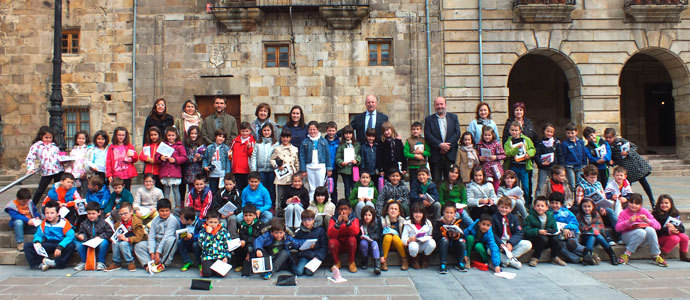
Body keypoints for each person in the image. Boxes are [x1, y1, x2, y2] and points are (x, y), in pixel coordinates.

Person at [604, 128, 654, 207]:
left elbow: (633, 147)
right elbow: (614, 158)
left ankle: (652, 201)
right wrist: (612, 162)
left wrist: (627, 152)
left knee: (644, 182)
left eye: (610, 137)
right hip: (624, 169)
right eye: (606, 137)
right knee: (626, 187)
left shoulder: (621, 141)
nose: (608, 139)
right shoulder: (607, 146)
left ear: (614, 137)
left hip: (633, 165)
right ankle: (627, 204)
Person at [615, 193, 667, 266]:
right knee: (640, 232)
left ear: (641, 205)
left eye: (637, 203)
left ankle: (656, 255)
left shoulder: (644, 211)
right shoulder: (624, 213)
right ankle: (627, 254)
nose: (633, 205)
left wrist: (647, 220)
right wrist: (628, 222)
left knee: (650, 230)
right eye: (631, 203)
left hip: (643, 239)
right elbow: (617, 228)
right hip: (628, 237)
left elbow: (658, 226)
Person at [24, 200, 76, 271]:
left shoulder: (64, 223)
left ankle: (57, 263)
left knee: (71, 245)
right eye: (47, 213)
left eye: (52, 213)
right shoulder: (43, 223)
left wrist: (60, 246)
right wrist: (37, 241)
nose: (49, 215)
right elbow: (39, 234)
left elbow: (70, 236)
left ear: (58, 213)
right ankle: (39, 264)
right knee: (28, 246)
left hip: (60, 244)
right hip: (48, 243)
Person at [134, 198, 180, 272]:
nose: (164, 213)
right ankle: (148, 265)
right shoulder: (155, 220)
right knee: (139, 246)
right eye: (162, 211)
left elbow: (166, 237)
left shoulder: (172, 220)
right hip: (157, 242)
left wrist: (158, 253)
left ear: (170, 211)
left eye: (167, 211)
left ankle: (164, 264)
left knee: (171, 240)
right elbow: (151, 236)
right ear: (158, 211)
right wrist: (152, 252)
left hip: (166, 244)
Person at [424, 97, 461, 183]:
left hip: (450, 154)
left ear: (445, 105)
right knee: (437, 181)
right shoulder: (429, 119)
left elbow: (457, 133)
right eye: (437, 104)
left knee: (450, 180)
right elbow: (428, 135)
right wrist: (440, 145)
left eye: (441, 104)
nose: (440, 106)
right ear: (434, 106)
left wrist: (447, 146)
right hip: (436, 155)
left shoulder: (454, 117)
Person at [523, 196, 567, 267]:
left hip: (547, 238)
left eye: (542, 206)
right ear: (534, 207)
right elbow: (526, 231)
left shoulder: (550, 216)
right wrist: (538, 231)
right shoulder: (530, 217)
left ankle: (554, 257)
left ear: (547, 207)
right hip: (535, 239)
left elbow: (555, 229)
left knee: (556, 238)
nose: (540, 207)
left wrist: (549, 231)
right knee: (543, 238)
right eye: (538, 206)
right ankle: (535, 257)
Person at [26, 126, 64, 206]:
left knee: (59, 189)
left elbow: (58, 156)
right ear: (41, 136)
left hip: (58, 170)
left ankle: (60, 206)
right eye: (46, 137)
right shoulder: (37, 146)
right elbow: (30, 157)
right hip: (47, 171)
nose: (48, 139)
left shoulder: (54, 145)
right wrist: (31, 168)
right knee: (40, 190)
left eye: (50, 137)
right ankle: (32, 206)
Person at [491, 196, 532, 269]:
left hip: (510, 241)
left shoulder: (513, 218)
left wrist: (511, 243)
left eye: (506, 208)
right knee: (490, 249)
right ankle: (510, 261)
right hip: (500, 242)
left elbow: (519, 232)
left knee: (527, 244)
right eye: (502, 207)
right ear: (498, 207)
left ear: (510, 209)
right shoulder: (493, 218)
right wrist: (500, 243)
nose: (504, 210)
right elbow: (492, 233)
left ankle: (508, 258)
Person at [550, 192, 589, 265]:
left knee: (571, 244)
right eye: (552, 203)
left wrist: (567, 228)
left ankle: (587, 252)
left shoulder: (566, 212)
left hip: (571, 232)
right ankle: (580, 259)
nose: (554, 205)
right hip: (559, 234)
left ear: (561, 204)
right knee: (560, 246)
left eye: (557, 203)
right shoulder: (548, 213)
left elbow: (575, 224)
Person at [503, 121, 536, 206]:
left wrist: (529, 153)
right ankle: (515, 205)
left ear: (520, 131)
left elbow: (533, 149)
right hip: (513, 167)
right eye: (512, 130)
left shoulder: (526, 139)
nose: (514, 132)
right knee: (514, 187)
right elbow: (507, 153)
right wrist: (516, 149)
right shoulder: (508, 142)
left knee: (526, 187)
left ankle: (527, 204)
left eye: (516, 130)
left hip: (524, 167)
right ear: (509, 131)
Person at [105, 203, 146, 272]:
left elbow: (139, 237)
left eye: (125, 214)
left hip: (133, 243)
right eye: (121, 214)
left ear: (131, 212)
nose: (123, 216)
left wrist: (127, 239)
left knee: (123, 244)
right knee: (115, 243)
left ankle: (130, 262)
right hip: (122, 242)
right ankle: (116, 262)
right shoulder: (119, 223)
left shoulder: (136, 222)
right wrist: (114, 237)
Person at [577, 198, 618, 265]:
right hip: (585, 238)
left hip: (596, 236)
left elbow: (600, 226)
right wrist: (590, 229)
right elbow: (580, 227)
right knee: (592, 236)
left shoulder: (596, 215)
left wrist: (593, 228)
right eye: (584, 206)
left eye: (589, 206)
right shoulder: (579, 216)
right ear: (581, 207)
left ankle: (611, 255)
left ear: (593, 206)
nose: (587, 209)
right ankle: (611, 255)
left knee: (596, 235)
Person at [74, 202, 113, 271]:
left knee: (104, 242)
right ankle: (84, 261)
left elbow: (109, 232)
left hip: (99, 243)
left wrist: (100, 237)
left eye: (93, 214)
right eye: (89, 214)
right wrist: (82, 236)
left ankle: (101, 262)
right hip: (89, 242)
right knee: (78, 244)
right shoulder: (84, 223)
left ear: (99, 213)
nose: (91, 216)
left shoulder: (104, 222)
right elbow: (82, 232)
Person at [299, 121, 333, 200]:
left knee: (321, 186)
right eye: (310, 129)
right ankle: (312, 203)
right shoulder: (305, 142)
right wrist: (303, 169)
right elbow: (302, 156)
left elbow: (328, 155)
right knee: (312, 186)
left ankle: (322, 201)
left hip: (321, 166)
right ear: (308, 130)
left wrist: (329, 168)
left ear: (318, 130)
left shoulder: (324, 141)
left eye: (314, 129)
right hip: (309, 167)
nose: (312, 131)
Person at [156, 127, 187, 212]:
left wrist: (175, 160)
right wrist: (161, 157)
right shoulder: (163, 145)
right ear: (166, 136)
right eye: (169, 135)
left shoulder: (179, 146)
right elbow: (156, 156)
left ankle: (177, 207)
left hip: (175, 171)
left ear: (176, 136)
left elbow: (184, 157)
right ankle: (166, 207)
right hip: (165, 171)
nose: (171, 137)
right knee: (166, 191)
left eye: (173, 135)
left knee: (176, 190)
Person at [271, 128, 300, 216]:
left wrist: (297, 173)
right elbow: (272, 159)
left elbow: (296, 162)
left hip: (292, 175)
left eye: (287, 137)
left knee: (291, 194)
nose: (285, 139)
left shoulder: (295, 149)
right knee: (280, 196)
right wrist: (277, 166)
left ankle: (290, 213)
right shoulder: (277, 149)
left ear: (290, 138)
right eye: (283, 137)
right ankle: (279, 212)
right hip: (282, 176)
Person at [653, 194, 690, 262]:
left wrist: (676, 229)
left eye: (666, 203)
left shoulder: (675, 213)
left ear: (671, 204)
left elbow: (682, 228)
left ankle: (683, 255)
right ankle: (661, 255)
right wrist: (668, 230)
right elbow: (655, 229)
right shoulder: (656, 214)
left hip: (672, 234)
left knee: (684, 237)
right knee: (675, 238)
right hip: (660, 237)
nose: (664, 205)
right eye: (662, 203)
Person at [434, 202, 469, 274]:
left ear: (455, 213)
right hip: (443, 245)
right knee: (444, 240)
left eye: (451, 213)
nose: (449, 215)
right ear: (443, 212)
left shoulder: (459, 222)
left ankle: (459, 262)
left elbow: (463, 234)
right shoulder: (439, 222)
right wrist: (446, 234)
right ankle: (443, 264)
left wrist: (456, 235)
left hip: (455, 244)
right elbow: (436, 236)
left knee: (462, 241)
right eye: (447, 212)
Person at [328, 199, 360, 273]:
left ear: (350, 210)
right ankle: (337, 262)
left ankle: (351, 262)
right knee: (331, 242)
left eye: (345, 209)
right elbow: (330, 234)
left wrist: (348, 222)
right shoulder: (333, 219)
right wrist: (338, 224)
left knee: (352, 239)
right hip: (338, 244)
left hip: (349, 244)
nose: (343, 212)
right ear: (337, 210)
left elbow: (355, 232)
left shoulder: (354, 219)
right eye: (341, 209)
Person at [293, 209, 328, 276]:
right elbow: (295, 244)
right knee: (298, 272)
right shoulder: (300, 232)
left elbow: (324, 246)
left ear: (313, 220)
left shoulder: (320, 230)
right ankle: (290, 266)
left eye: (309, 220)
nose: (307, 222)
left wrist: (319, 256)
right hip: (305, 255)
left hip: (316, 255)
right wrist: (301, 247)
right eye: (305, 220)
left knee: (309, 272)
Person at [233, 204, 265, 276]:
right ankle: (240, 264)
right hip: (246, 244)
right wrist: (242, 242)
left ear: (254, 215)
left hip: (257, 245)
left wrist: (246, 242)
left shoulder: (260, 224)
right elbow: (242, 236)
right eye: (245, 215)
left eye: (250, 215)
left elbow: (258, 237)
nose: (248, 218)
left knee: (250, 248)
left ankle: (253, 264)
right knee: (237, 246)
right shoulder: (242, 225)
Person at [403, 202, 436, 269]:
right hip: (413, 245)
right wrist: (409, 239)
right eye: (416, 212)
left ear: (423, 214)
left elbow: (430, 234)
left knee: (432, 243)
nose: (418, 215)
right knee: (413, 246)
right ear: (412, 213)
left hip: (423, 244)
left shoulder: (428, 223)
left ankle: (425, 258)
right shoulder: (407, 223)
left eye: (420, 213)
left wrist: (426, 238)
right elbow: (403, 239)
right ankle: (415, 260)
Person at [251, 122, 278, 204]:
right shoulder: (258, 143)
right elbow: (254, 156)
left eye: (268, 130)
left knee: (271, 189)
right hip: (261, 170)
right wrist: (254, 170)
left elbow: (277, 156)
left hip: (271, 170)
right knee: (261, 189)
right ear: (261, 131)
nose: (266, 132)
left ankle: (271, 205)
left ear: (271, 131)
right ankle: (261, 204)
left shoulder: (275, 144)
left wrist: (276, 167)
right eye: (264, 130)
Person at [198, 210, 231, 277]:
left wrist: (226, 256)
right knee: (207, 274)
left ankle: (216, 269)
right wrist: (209, 234)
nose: (213, 224)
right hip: (208, 257)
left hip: (220, 256)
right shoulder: (203, 231)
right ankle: (206, 267)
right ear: (206, 221)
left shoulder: (223, 231)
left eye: (215, 222)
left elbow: (228, 245)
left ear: (218, 221)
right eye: (210, 222)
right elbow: (203, 246)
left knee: (220, 274)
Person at [534, 123, 563, 198]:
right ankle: (538, 202)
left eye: (551, 132)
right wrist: (541, 162)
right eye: (548, 131)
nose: (549, 133)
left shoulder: (556, 142)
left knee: (556, 184)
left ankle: (557, 201)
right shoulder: (540, 143)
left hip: (554, 168)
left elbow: (560, 155)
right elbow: (536, 155)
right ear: (543, 131)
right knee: (541, 185)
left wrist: (561, 167)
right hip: (543, 168)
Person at [381, 200, 408, 271]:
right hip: (386, 244)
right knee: (388, 236)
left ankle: (404, 259)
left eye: (396, 209)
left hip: (398, 244)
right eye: (391, 208)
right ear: (387, 210)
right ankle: (384, 261)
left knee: (395, 237)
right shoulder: (382, 221)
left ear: (399, 212)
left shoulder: (402, 221)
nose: (393, 211)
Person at [560, 123, 588, 192]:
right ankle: (572, 199)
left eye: (572, 133)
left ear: (576, 132)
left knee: (579, 183)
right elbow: (563, 155)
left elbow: (583, 153)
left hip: (579, 166)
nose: (570, 135)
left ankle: (577, 200)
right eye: (568, 133)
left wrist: (584, 164)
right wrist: (563, 166)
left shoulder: (580, 142)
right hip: (569, 166)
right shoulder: (564, 144)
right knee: (572, 184)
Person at [477, 125, 505, 191]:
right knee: (487, 187)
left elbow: (503, 155)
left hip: (495, 168)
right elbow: (476, 155)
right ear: (482, 135)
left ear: (492, 135)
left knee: (496, 186)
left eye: (489, 135)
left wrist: (496, 157)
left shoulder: (496, 144)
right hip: (485, 169)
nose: (487, 137)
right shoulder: (480, 144)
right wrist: (479, 158)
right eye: (485, 135)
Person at [203, 129, 231, 194]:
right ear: (215, 136)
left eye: (223, 137)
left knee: (221, 192)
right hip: (212, 174)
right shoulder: (209, 147)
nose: (221, 138)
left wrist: (227, 173)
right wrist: (205, 166)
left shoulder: (226, 148)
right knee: (213, 191)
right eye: (219, 136)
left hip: (222, 174)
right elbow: (205, 158)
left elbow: (228, 161)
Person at [335, 125, 359, 201]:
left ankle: (354, 202)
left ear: (353, 134)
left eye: (350, 133)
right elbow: (338, 157)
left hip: (354, 169)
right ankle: (347, 203)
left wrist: (357, 160)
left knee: (354, 187)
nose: (348, 135)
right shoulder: (341, 145)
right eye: (346, 133)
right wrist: (342, 163)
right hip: (345, 170)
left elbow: (359, 155)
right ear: (343, 135)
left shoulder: (357, 144)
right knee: (347, 188)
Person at [404, 122, 430, 187]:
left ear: (421, 130)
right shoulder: (408, 141)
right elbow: (405, 153)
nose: (415, 131)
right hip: (412, 167)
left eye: (417, 129)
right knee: (413, 184)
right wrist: (415, 156)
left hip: (422, 166)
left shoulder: (424, 141)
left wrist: (422, 152)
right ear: (411, 130)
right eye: (414, 129)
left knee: (422, 184)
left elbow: (429, 153)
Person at [358, 206, 383, 274]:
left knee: (374, 244)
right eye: (365, 215)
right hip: (364, 243)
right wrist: (360, 236)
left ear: (373, 216)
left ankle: (377, 265)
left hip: (372, 241)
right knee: (363, 243)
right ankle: (364, 261)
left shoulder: (376, 224)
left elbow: (378, 235)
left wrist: (369, 237)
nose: (367, 217)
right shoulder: (360, 223)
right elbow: (357, 234)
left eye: (369, 215)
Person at [177, 207, 203, 271]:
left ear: (189, 220)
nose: (180, 220)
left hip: (196, 242)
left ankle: (199, 262)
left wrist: (193, 236)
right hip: (187, 241)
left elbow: (202, 235)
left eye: (182, 219)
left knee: (195, 245)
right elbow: (181, 232)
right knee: (180, 243)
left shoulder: (200, 223)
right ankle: (187, 261)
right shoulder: (182, 224)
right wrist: (183, 237)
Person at [66, 131, 91, 196]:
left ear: (86, 139)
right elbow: (71, 163)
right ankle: (78, 204)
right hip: (75, 175)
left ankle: (86, 204)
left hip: (84, 175)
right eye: (79, 138)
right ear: (76, 139)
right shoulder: (73, 151)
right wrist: (69, 173)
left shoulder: (88, 150)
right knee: (77, 192)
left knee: (85, 191)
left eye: (83, 139)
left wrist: (85, 172)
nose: (81, 140)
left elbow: (89, 161)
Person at [183, 125, 205, 195]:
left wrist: (200, 157)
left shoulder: (201, 144)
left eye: (195, 134)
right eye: (192, 134)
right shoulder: (186, 144)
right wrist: (192, 159)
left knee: (200, 188)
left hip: (199, 170)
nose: (193, 135)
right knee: (191, 189)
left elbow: (206, 156)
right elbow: (184, 156)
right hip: (189, 170)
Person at [325, 122, 340, 202]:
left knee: (334, 187)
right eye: (329, 130)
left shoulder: (339, 142)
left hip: (335, 167)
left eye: (333, 131)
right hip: (325, 168)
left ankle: (334, 204)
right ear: (326, 131)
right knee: (325, 187)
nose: (331, 132)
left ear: (336, 131)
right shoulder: (323, 141)